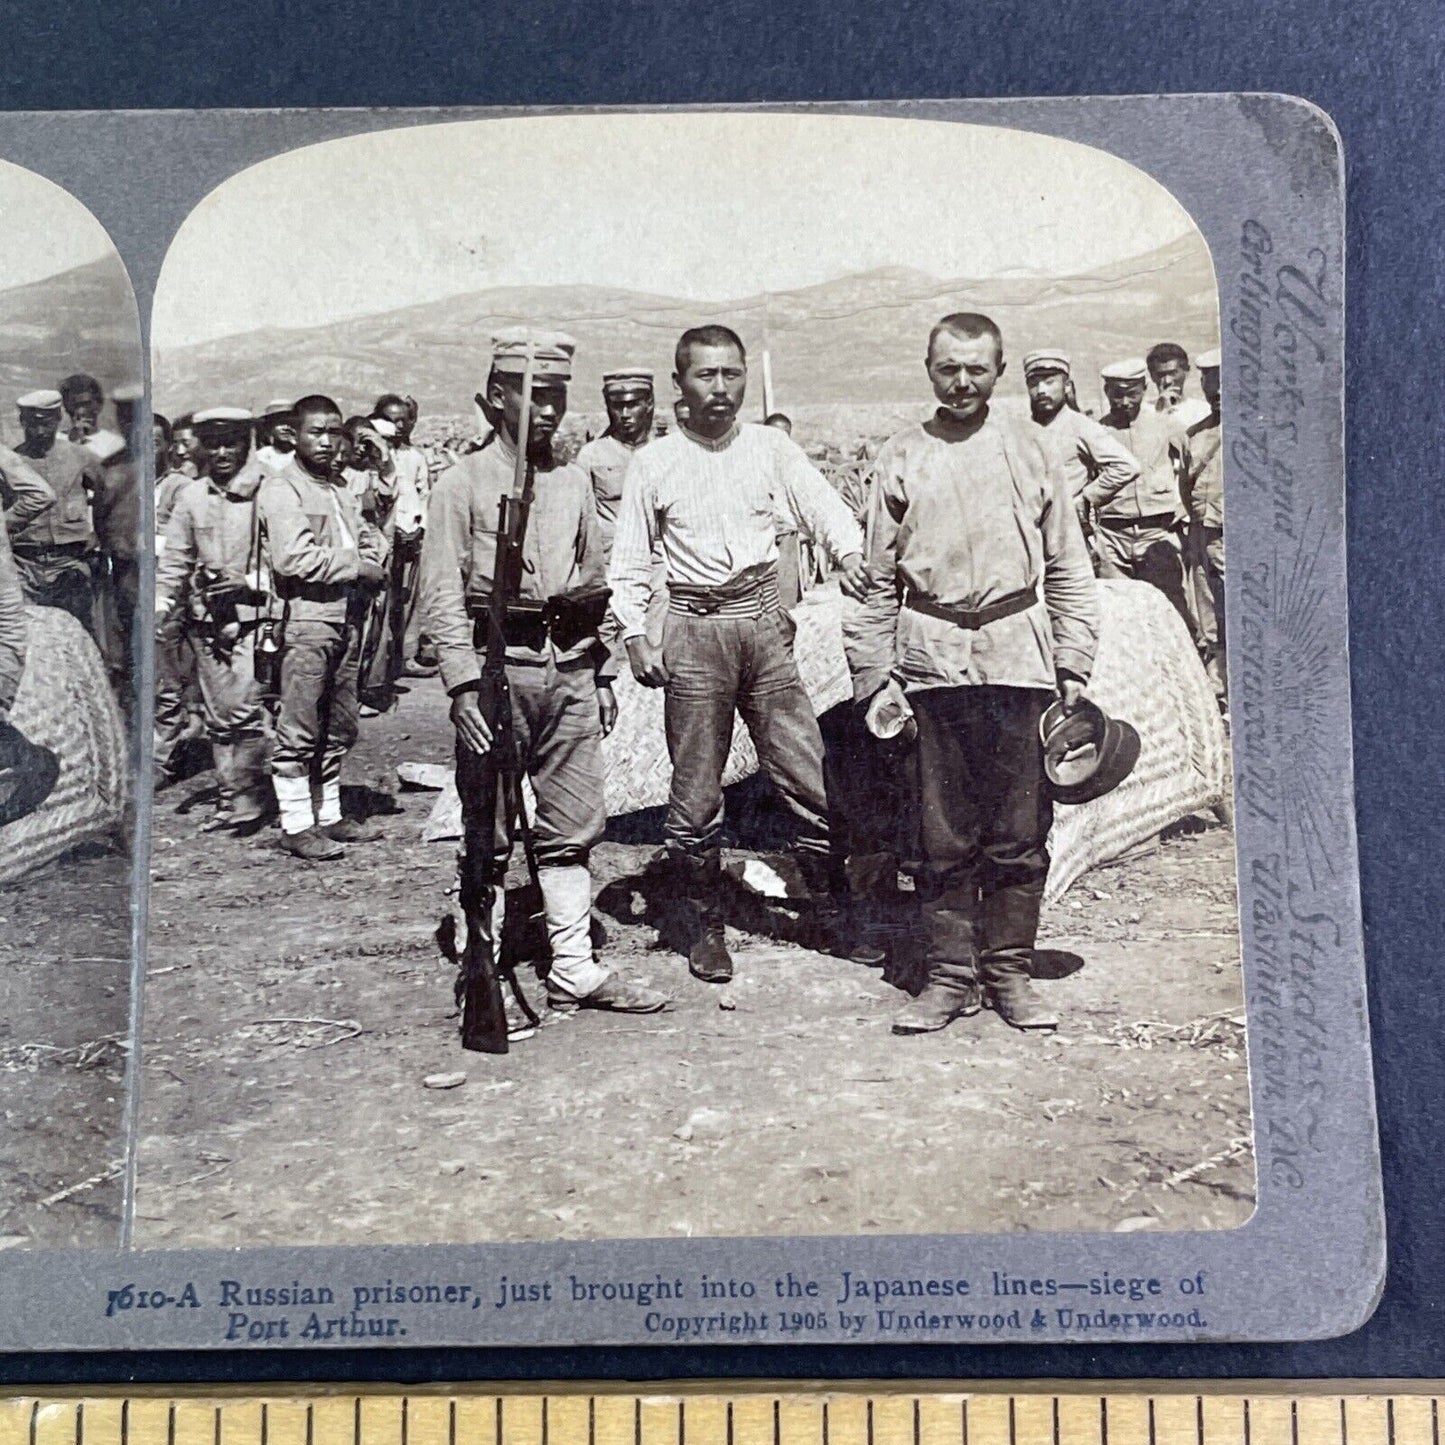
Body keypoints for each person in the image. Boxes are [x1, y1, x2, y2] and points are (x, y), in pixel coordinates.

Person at [846, 312, 1099, 1035]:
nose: (961, 381)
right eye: (947, 368)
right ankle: (950, 974)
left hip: (1018, 662)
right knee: (940, 832)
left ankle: (1009, 971)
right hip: (930, 665)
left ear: (997, 370)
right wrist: (873, 676)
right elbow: (872, 581)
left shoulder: (1029, 450)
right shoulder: (901, 455)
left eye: (976, 369)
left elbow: (1068, 567)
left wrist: (1074, 659)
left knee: (1018, 828)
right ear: (928, 369)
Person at [608, 324, 867, 984]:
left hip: (764, 622)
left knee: (806, 772)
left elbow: (823, 507)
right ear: (679, 384)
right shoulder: (655, 462)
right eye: (705, 375)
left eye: (730, 374)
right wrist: (636, 633)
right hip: (694, 629)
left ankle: (834, 913)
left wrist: (851, 553)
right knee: (695, 793)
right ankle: (700, 925)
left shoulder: (769, 447)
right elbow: (632, 559)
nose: (719, 389)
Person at [420, 328, 667, 1016]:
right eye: (534, 395)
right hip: (499, 671)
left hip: (570, 669)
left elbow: (598, 578)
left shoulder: (573, 481)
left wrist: (605, 671)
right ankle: (486, 964)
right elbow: (439, 593)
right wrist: (462, 685)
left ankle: (573, 966)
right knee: (489, 828)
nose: (548, 409)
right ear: (496, 397)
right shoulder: (459, 485)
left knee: (573, 821)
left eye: (557, 395)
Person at [259, 394, 388, 860]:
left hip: (348, 619)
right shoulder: (282, 489)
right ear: (294, 435)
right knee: (299, 725)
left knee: (340, 723)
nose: (328, 441)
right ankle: (295, 824)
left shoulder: (338, 488)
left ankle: (329, 816)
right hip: (307, 621)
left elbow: (364, 538)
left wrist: (371, 554)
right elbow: (292, 558)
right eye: (317, 431)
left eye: (335, 432)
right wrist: (358, 565)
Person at [155, 407, 271, 827]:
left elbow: (286, 557)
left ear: (247, 443)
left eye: (232, 442)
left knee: (244, 707)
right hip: (206, 620)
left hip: (256, 618)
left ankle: (250, 795)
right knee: (219, 715)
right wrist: (162, 603)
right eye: (214, 442)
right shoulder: (191, 496)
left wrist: (251, 581)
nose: (223, 452)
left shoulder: (269, 490)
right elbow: (175, 559)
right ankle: (229, 798)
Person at [1094, 357, 1195, 632]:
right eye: (1117, 395)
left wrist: (1183, 508)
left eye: (1132, 394)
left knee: (1171, 607)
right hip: (1112, 536)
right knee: (1119, 615)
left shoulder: (1166, 425)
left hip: (1157, 531)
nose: (1125, 402)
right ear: (1107, 393)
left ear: (1144, 389)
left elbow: (1191, 467)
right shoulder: (1096, 431)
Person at [1023, 349, 1139, 562]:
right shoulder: (1023, 428)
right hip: (1029, 534)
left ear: (1066, 386)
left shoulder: (1080, 425)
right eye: (1033, 383)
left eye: (1049, 382)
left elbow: (1127, 465)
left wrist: (1086, 497)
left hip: (1068, 534)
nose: (1040, 390)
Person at [9, 389, 102, 631]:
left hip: (70, 562)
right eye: (32, 424)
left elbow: (109, 497)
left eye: (47, 424)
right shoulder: (12, 462)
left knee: (78, 633)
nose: (40, 432)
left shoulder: (80, 457)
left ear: (59, 419)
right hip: (24, 565)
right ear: (22, 422)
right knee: (26, 634)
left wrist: (98, 534)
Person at [372, 392, 437, 678]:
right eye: (390, 420)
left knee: (408, 598)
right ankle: (378, 659)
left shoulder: (415, 457)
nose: (398, 427)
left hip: (411, 536)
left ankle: (405, 655)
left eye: (403, 420)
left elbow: (424, 494)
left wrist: (419, 527)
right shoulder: (373, 457)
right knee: (383, 598)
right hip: (384, 536)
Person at [574, 368, 656, 560]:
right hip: (611, 562)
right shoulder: (592, 455)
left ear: (649, 403)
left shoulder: (664, 453)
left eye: (633, 404)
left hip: (658, 564)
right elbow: (581, 518)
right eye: (617, 406)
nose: (625, 414)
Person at [1183, 347, 1225, 707]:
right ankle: (1219, 689)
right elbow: (1185, 485)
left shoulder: (1263, 431)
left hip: (1235, 537)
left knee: (1241, 612)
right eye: (1211, 388)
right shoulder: (1194, 435)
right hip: (1201, 534)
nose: (1218, 395)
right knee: (1208, 614)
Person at [1146, 342, 1211, 429]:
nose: (1167, 381)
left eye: (1173, 373)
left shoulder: (1203, 411)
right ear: (1152, 376)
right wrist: (1160, 411)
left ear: (1187, 371)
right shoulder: (1144, 411)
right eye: (1161, 375)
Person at [254, 400, 297, 473]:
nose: (285, 428)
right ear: (269, 427)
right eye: (280, 423)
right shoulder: (260, 457)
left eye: (290, 423)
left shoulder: (303, 455)